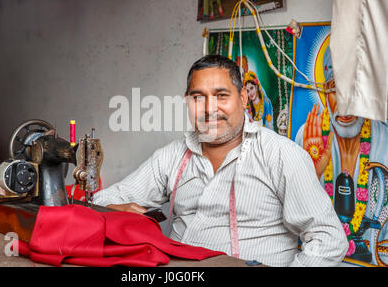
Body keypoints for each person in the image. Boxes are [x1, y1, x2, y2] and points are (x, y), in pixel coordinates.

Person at [94, 55, 348, 267]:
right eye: (198, 97)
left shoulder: (281, 155)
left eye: (221, 95)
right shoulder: (172, 156)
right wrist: (116, 211)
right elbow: (100, 202)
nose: (208, 109)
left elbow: (329, 239)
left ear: (243, 97)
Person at [295, 47, 388, 264]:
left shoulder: (384, 141)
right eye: (334, 87)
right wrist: (313, 171)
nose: (345, 102)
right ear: (324, 93)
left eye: (353, 88)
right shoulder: (309, 136)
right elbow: (292, 216)